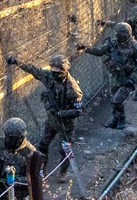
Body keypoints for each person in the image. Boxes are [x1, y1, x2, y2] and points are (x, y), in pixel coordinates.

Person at [5, 54, 83, 182]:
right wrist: (17, 62)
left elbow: (78, 110)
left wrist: (62, 114)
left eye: (58, 70)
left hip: (66, 125)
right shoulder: (48, 77)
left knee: (65, 151)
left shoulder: (72, 89)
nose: (54, 71)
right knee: (42, 146)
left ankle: (62, 173)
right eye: (53, 68)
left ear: (64, 70)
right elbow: (34, 70)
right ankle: (42, 170)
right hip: (51, 122)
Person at [77, 23, 137, 130]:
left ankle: (122, 118)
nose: (116, 35)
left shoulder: (135, 47)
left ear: (125, 34)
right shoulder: (113, 43)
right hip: (115, 77)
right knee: (113, 99)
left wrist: (132, 79)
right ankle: (115, 119)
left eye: (119, 34)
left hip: (128, 79)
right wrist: (85, 48)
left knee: (117, 101)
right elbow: (99, 51)